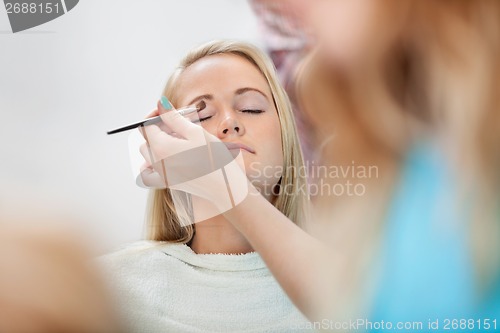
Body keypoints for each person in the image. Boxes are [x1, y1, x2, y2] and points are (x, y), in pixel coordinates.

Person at [99, 40, 317, 332]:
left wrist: (227, 185)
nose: (229, 123)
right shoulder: (105, 289)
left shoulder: (349, 288)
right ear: (166, 144)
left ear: (286, 136)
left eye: (251, 108)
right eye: (201, 115)